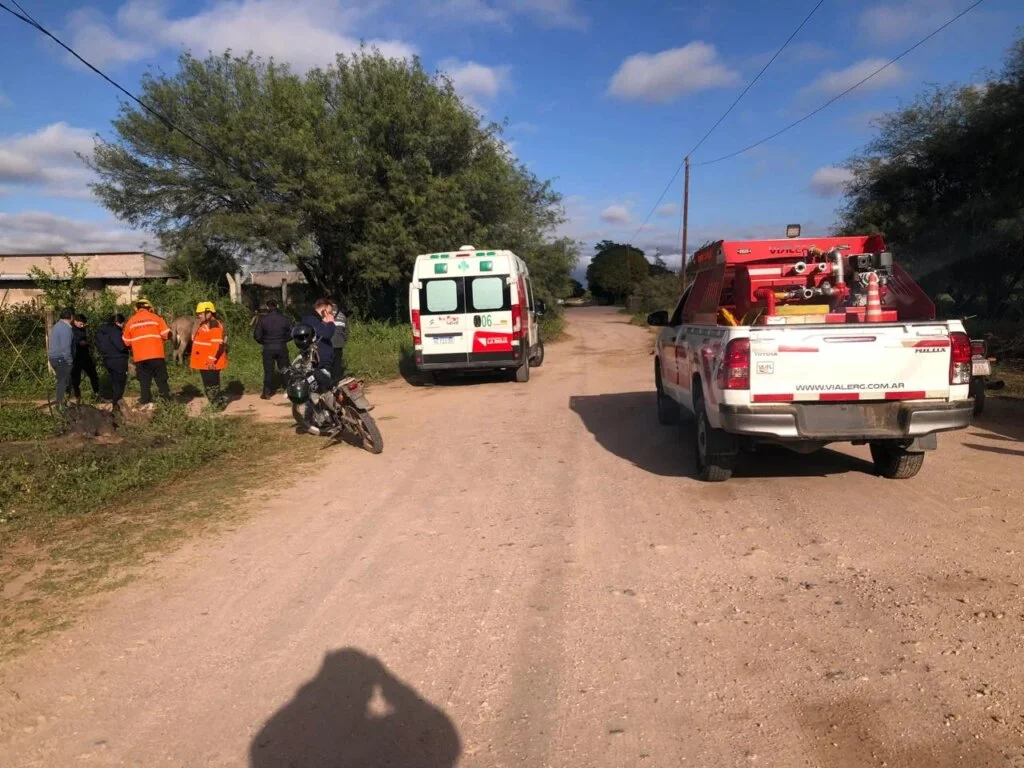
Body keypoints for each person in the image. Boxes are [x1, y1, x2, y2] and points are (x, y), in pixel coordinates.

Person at [123, 297, 171, 407]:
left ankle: (145, 403)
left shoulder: (131, 321)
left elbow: (126, 342)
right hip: (157, 355)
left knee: (144, 382)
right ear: (149, 308)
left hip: (140, 358)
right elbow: (167, 334)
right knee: (161, 380)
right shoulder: (156, 318)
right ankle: (167, 403)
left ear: (137, 309)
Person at [190, 301, 228, 409]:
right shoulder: (205, 324)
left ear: (209, 313)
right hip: (204, 361)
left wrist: (211, 359)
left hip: (210, 362)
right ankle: (215, 403)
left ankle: (217, 405)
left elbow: (217, 344)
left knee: (211, 384)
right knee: (209, 384)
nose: (199, 315)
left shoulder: (214, 325)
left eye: (201, 313)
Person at [253, 298, 293, 399]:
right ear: (277, 306)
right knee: (284, 369)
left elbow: (257, 336)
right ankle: (289, 390)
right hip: (281, 347)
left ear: (267, 307)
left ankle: (266, 392)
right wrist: (284, 340)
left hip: (268, 348)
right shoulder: (285, 319)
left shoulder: (263, 320)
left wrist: (265, 342)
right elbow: (292, 333)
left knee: (268, 370)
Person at [96, 313, 129, 412]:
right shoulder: (115, 331)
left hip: (107, 360)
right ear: (117, 322)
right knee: (120, 383)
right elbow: (120, 346)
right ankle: (116, 405)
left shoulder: (101, 332)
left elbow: (98, 345)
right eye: (123, 323)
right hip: (119, 359)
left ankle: (116, 403)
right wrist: (127, 346)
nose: (124, 325)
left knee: (115, 383)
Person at [300, 298, 338, 378]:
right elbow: (326, 334)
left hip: (320, 363)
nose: (331, 314)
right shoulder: (312, 319)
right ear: (324, 310)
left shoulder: (314, 320)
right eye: (330, 312)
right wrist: (331, 322)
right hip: (319, 364)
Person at [47, 307, 75, 410]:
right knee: (63, 381)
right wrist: (69, 360)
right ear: (71, 316)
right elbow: (65, 347)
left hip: (54, 357)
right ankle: (60, 405)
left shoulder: (57, 325)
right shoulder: (65, 328)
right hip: (61, 358)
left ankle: (63, 402)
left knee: (63, 381)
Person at [70, 313, 100, 404]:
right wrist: (79, 342)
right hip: (76, 357)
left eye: (83, 324)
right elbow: (71, 341)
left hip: (85, 356)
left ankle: (97, 393)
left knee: (93, 375)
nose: (82, 325)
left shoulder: (82, 329)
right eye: (81, 323)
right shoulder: (70, 330)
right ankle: (77, 397)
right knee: (76, 378)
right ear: (75, 321)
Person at [328, 300, 349, 381]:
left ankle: (329, 381)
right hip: (339, 343)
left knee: (328, 363)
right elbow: (346, 331)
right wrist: (344, 341)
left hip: (328, 343)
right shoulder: (342, 316)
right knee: (337, 363)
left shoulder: (326, 315)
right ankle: (337, 380)